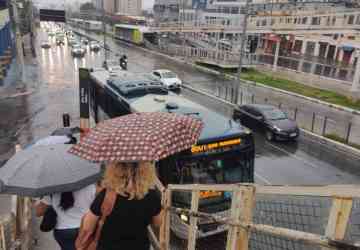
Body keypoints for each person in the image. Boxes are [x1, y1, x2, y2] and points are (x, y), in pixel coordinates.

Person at [80, 162, 162, 250]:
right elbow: (158, 223)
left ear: (114, 170)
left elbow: (87, 227)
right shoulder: (152, 196)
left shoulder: (106, 195)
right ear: (147, 171)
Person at [36, 184, 97, 250]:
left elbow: (39, 212)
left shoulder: (53, 188)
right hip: (86, 228)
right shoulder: (91, 186)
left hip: (63, 231)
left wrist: (39, 201)